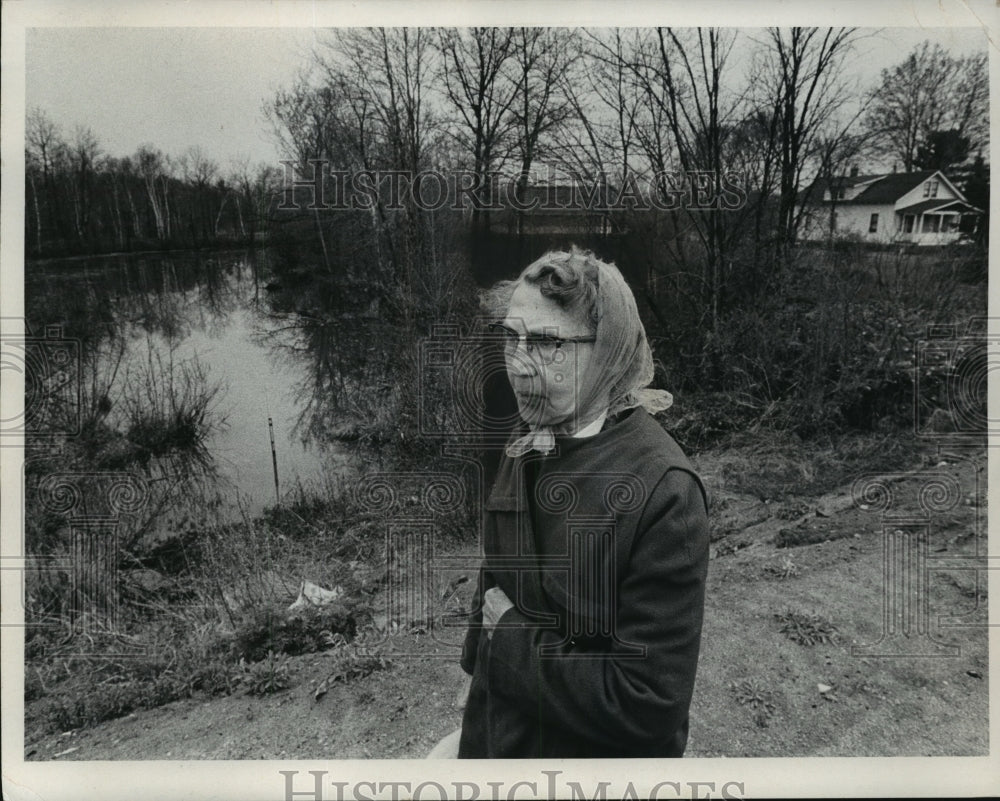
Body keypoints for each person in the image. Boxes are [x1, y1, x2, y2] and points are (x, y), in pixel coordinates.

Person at [442, 246, 711, 759]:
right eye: (511, 338)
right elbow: (497, 567)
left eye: (545, 342)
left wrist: (508, 643)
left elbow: (647, 705)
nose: (518, 366)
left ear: (606, 352)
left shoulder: (665, 493)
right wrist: (477, 667)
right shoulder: (530, 433)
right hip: (497, 741)